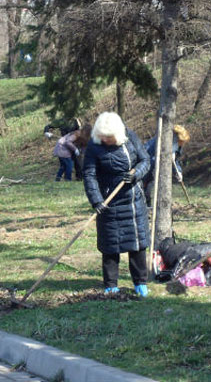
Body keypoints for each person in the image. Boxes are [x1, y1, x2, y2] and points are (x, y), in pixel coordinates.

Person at [82, 112, 151, 297]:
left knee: (137, 244)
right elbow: (89, 175)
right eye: (102, 136)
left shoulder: (130, 137)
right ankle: (111, 285)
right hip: (108, 202)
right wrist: (96, 200)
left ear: (118, 134)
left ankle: (140, 282)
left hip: (133, 202)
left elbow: (145, 160)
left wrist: (136, 173)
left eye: (109, 137)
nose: (105, 140)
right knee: (110, 245)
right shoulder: (94, 145)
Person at [143, 124, 190, 206]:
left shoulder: (177, 145)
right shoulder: (160, 142)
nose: (182, 144)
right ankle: (147, 209)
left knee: (148, 190)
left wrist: (178, 171)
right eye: (181, 142)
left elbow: (174, 161)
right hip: (147, 166)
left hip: (154, 167)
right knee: (145, 190)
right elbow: (151, 158)